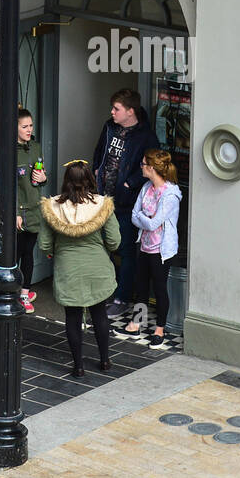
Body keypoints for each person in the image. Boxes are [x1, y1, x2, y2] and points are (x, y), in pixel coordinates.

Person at [39, 160, 120, 377]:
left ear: (66, 181)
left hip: (68, 269)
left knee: (72, 318)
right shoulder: (103, 205)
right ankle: (104, 361)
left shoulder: (52, 207)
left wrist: (55, 251)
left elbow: (44, 244)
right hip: (97, 267)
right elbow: (114, 240)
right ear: (90, 180)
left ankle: (78, 366)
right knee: (99, 314)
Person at [92, 88, 159, 317]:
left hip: (127, 203)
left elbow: (153, 167)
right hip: (103, 198)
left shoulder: (146, 136)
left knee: (126, 250)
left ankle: (121, 298)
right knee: (102, 247)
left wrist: (129, 184)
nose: (112, 112)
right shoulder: (109, 127)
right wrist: (96, 172)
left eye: (117, 109)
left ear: (130, 111)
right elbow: (100, 152)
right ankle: (104, 293)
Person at [115, 149, 183, 347]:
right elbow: (135, 215)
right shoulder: (146, 187)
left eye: (143, 165)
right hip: (144, 245)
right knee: (141, 286)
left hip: (162, 250)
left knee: (160, 289)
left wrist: (146, 220)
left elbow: (153, 224)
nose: (141, 167)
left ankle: (159, 329)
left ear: (151, 168)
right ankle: (137, 323)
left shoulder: (170, 195)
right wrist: (148, 219)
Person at [15, 108, 48, 314]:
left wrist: (44, 178)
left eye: (31, 125)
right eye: (24, 126)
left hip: (35, 207)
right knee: (16, 253)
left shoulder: (35, 147)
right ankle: (12, 292)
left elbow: (41, 175)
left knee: (28, 252)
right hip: (19, 210)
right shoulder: (8, 150)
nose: (29, 130)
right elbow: (7, 184)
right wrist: (14, 212)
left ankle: (25, 292)